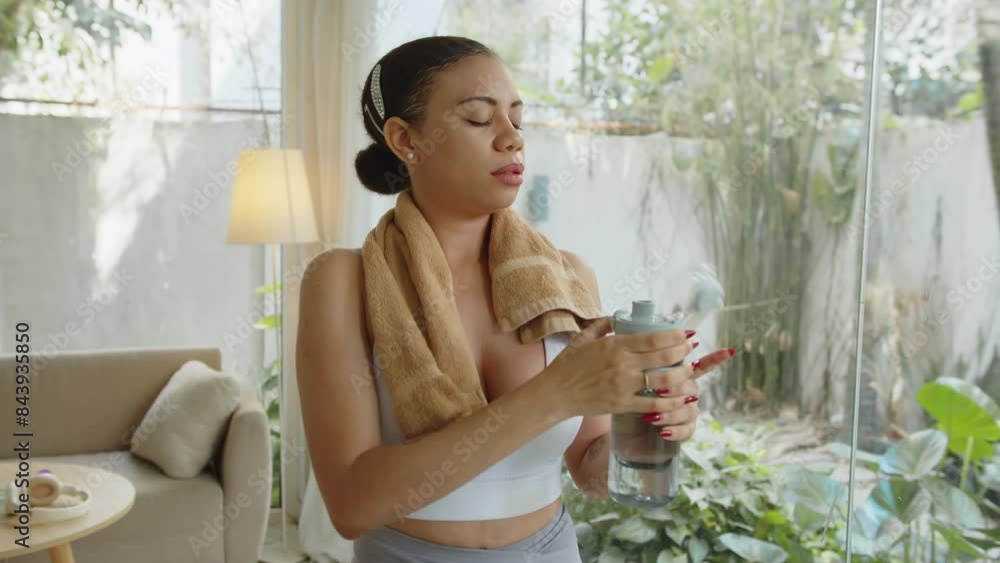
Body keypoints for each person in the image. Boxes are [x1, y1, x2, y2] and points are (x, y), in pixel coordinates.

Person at [296, 35, 734, 563]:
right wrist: (555, 393)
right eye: (480, 119)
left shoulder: (566, 276)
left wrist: (653, 422)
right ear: (405, 140)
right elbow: (351, 506)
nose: (512, 140)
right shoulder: (344, 280)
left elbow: (591, 470)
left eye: (518, 120)